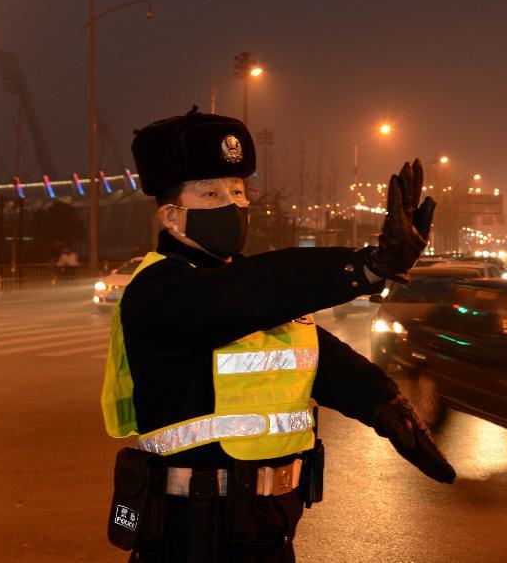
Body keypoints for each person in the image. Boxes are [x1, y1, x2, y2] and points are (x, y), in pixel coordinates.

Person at [101, 107, 455, 562]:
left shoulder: (255, 288)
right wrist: (365, 266)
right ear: (171, 216)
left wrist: (384, 404)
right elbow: (243, 296)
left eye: (237, 190)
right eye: (210, 193)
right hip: (187, 536)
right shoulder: (159, 292)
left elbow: (316, 354)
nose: (231, 204)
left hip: (268, 532)